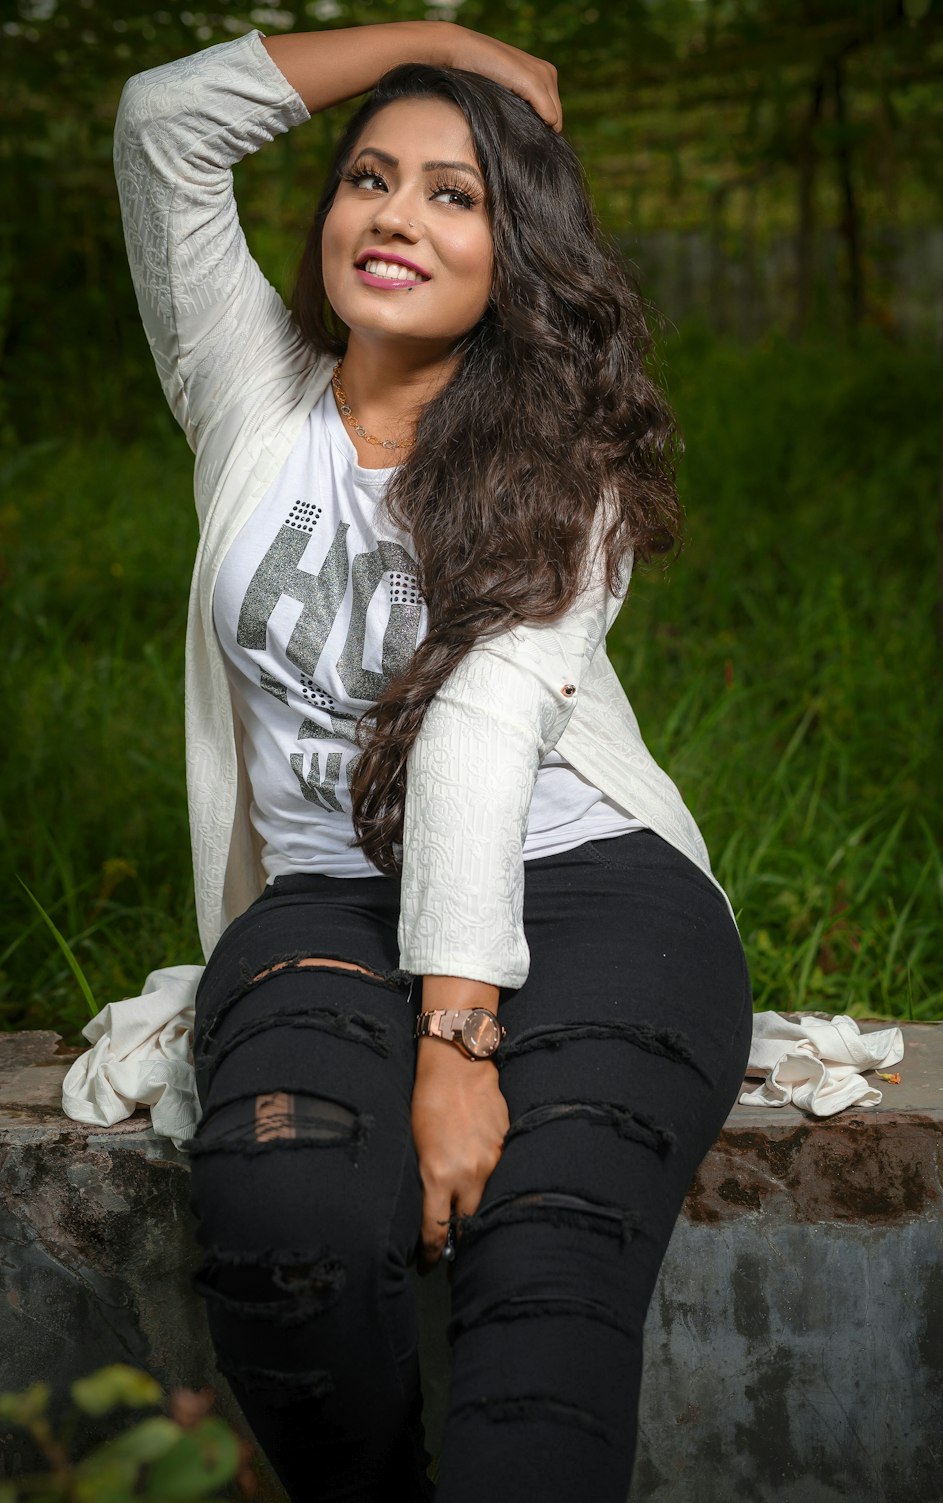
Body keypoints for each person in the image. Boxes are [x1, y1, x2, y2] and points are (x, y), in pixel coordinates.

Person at [110, 17, 754, 1503]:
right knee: (281, 1229)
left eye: (455, 193)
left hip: (588, 891)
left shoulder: (561, 456)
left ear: (514, 246)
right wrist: (444, 37)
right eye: (370, 178)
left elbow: (475, 720)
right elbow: (160, 123)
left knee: (546, 1271)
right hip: (331, 901)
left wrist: (457, 1046)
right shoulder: (249, 397)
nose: (396, 214)